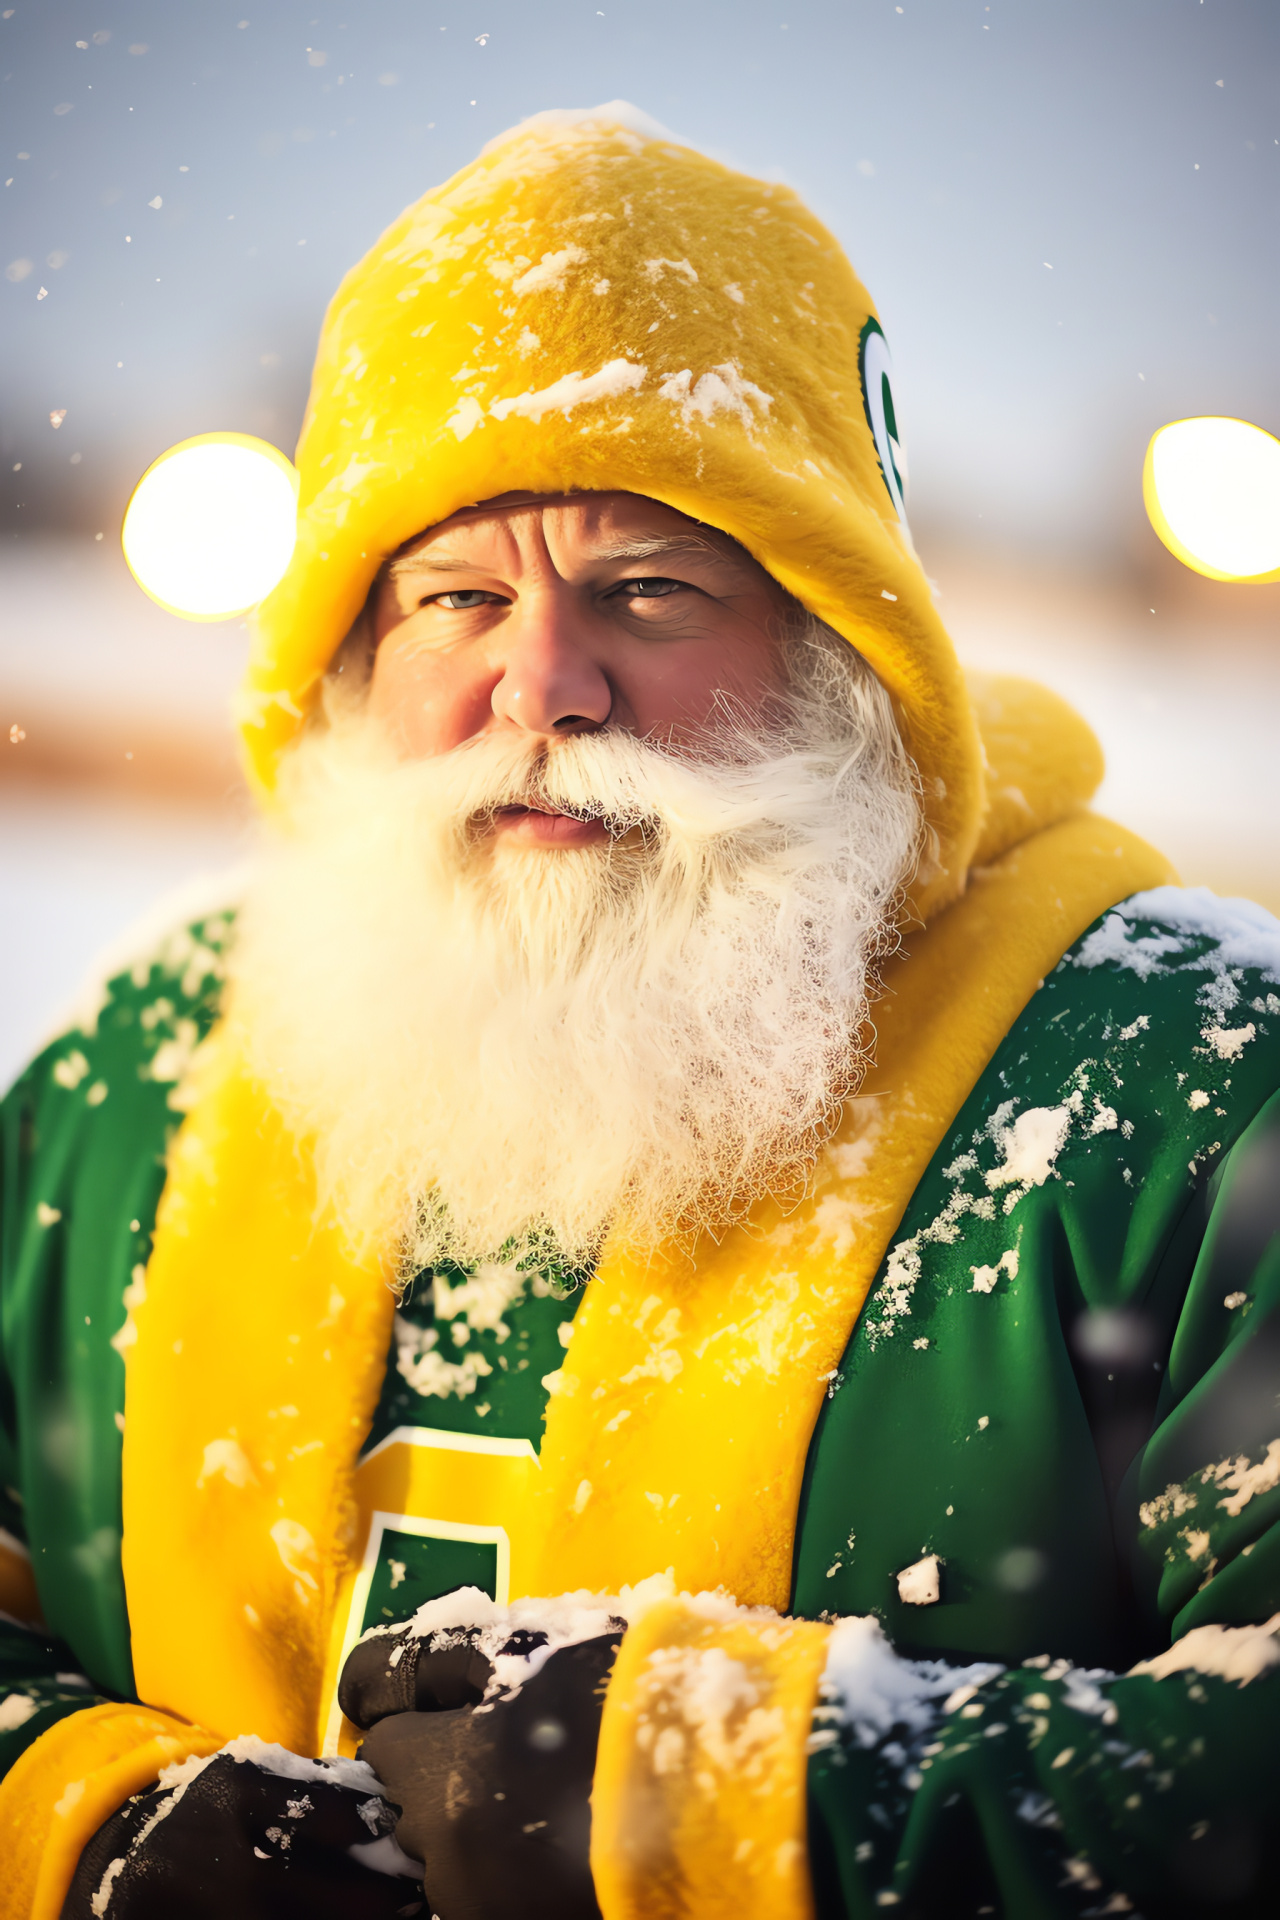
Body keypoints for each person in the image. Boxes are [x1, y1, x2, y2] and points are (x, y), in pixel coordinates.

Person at [2, 102, 1278, 1920]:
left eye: (647, 588)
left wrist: (773, 1809)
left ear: (847, 649)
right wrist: (81, 1818)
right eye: (457, 595)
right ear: (348, 663)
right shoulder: (137, 1068)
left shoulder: (1185, 1079)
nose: (544, 684)